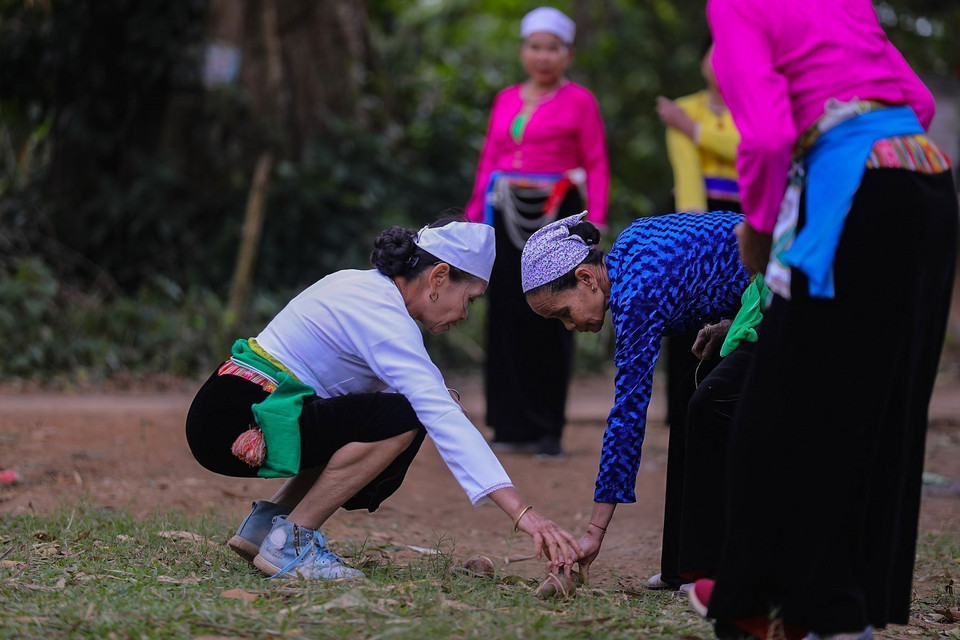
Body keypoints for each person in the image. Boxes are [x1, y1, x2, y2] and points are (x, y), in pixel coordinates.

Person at [686, 2, 959, 640]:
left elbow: (771, 137)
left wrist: (758, 224)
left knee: (774, 404)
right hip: (928, 185)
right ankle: (828, 602)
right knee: (871, 407)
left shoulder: (738, 7)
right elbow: (917, 102)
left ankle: (771, 604)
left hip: (853, 194)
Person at [185, 213, 582, 581]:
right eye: (470, 298)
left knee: (390, 411)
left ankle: (266, 525)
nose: (464, 315)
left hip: (226, 409)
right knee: (405, 417)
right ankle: (291, 540)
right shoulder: (383, 316)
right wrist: (524, 515)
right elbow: (437, 415)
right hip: (239, 421)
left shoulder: (364, 289)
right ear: (439, 277)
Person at [518, 211, 750, 588]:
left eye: (564, 313)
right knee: (690, 399)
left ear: (586, 278)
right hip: (755, 304)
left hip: (794, 292)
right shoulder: (629, 247)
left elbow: (628, 412)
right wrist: (731, 323)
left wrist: (594, 532)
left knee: (708, 405)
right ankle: (684, 566)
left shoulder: (636, 290)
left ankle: (715, 569)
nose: (571, 326)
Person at [464, 6, 610, 459]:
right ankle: (509, 424)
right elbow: (490, 160)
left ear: (566, 54)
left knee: (555, 313)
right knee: (507, 312)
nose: (543, 56)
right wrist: (474, 217)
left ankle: (548, 428)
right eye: (535, 46)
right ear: (523, 51)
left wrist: (596, 219)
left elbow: (596, 162)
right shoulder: (506, 97)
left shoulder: (580, 101)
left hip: (556, 215)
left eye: (553, 48)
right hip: (504, 213)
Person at [655, 35, 742, 456]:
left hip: (748, 210)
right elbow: (687, 168)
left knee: (740, 304)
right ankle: (682, 407)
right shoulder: (683, 104)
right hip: (696, 214)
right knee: (687, 306)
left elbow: (753, 150)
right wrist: (694, 233)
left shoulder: (753, 104)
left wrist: (693, 130)